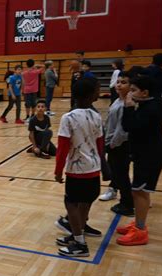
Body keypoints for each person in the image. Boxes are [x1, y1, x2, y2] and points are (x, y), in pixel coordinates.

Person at [116, 75, 162, 245]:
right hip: (146, 153)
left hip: (150, 156)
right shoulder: (152, 104)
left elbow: (129, 126)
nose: (130, 93)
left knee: (139, 192)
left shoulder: (150, 109)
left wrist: (128, 108)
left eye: (133, 90)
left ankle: (140, 231)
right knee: (139, 191)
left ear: (145, 92)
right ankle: (139, 223)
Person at [54, 78, 104, 257]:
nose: (99, 92)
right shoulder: (96, 116)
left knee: (71, 203)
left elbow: (62, 148)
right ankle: (78, 234)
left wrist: (58, 171)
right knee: (84, 203)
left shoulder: (68, 118)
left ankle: (80, 244)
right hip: (93, 168)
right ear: (90, 95)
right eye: (97, 90)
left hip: (77, 170)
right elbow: (100, 144)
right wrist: (103, 167)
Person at [103, 71, 134, 216]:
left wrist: (112, 144)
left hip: (120, 145)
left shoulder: (127, 104)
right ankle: (124, 200)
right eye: (118, 82)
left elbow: (122, 130)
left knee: (121, 174)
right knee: (117, 173)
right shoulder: (117, 100)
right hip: (112, 143)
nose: (119, 85)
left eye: (124, 82)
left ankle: (127, 204)